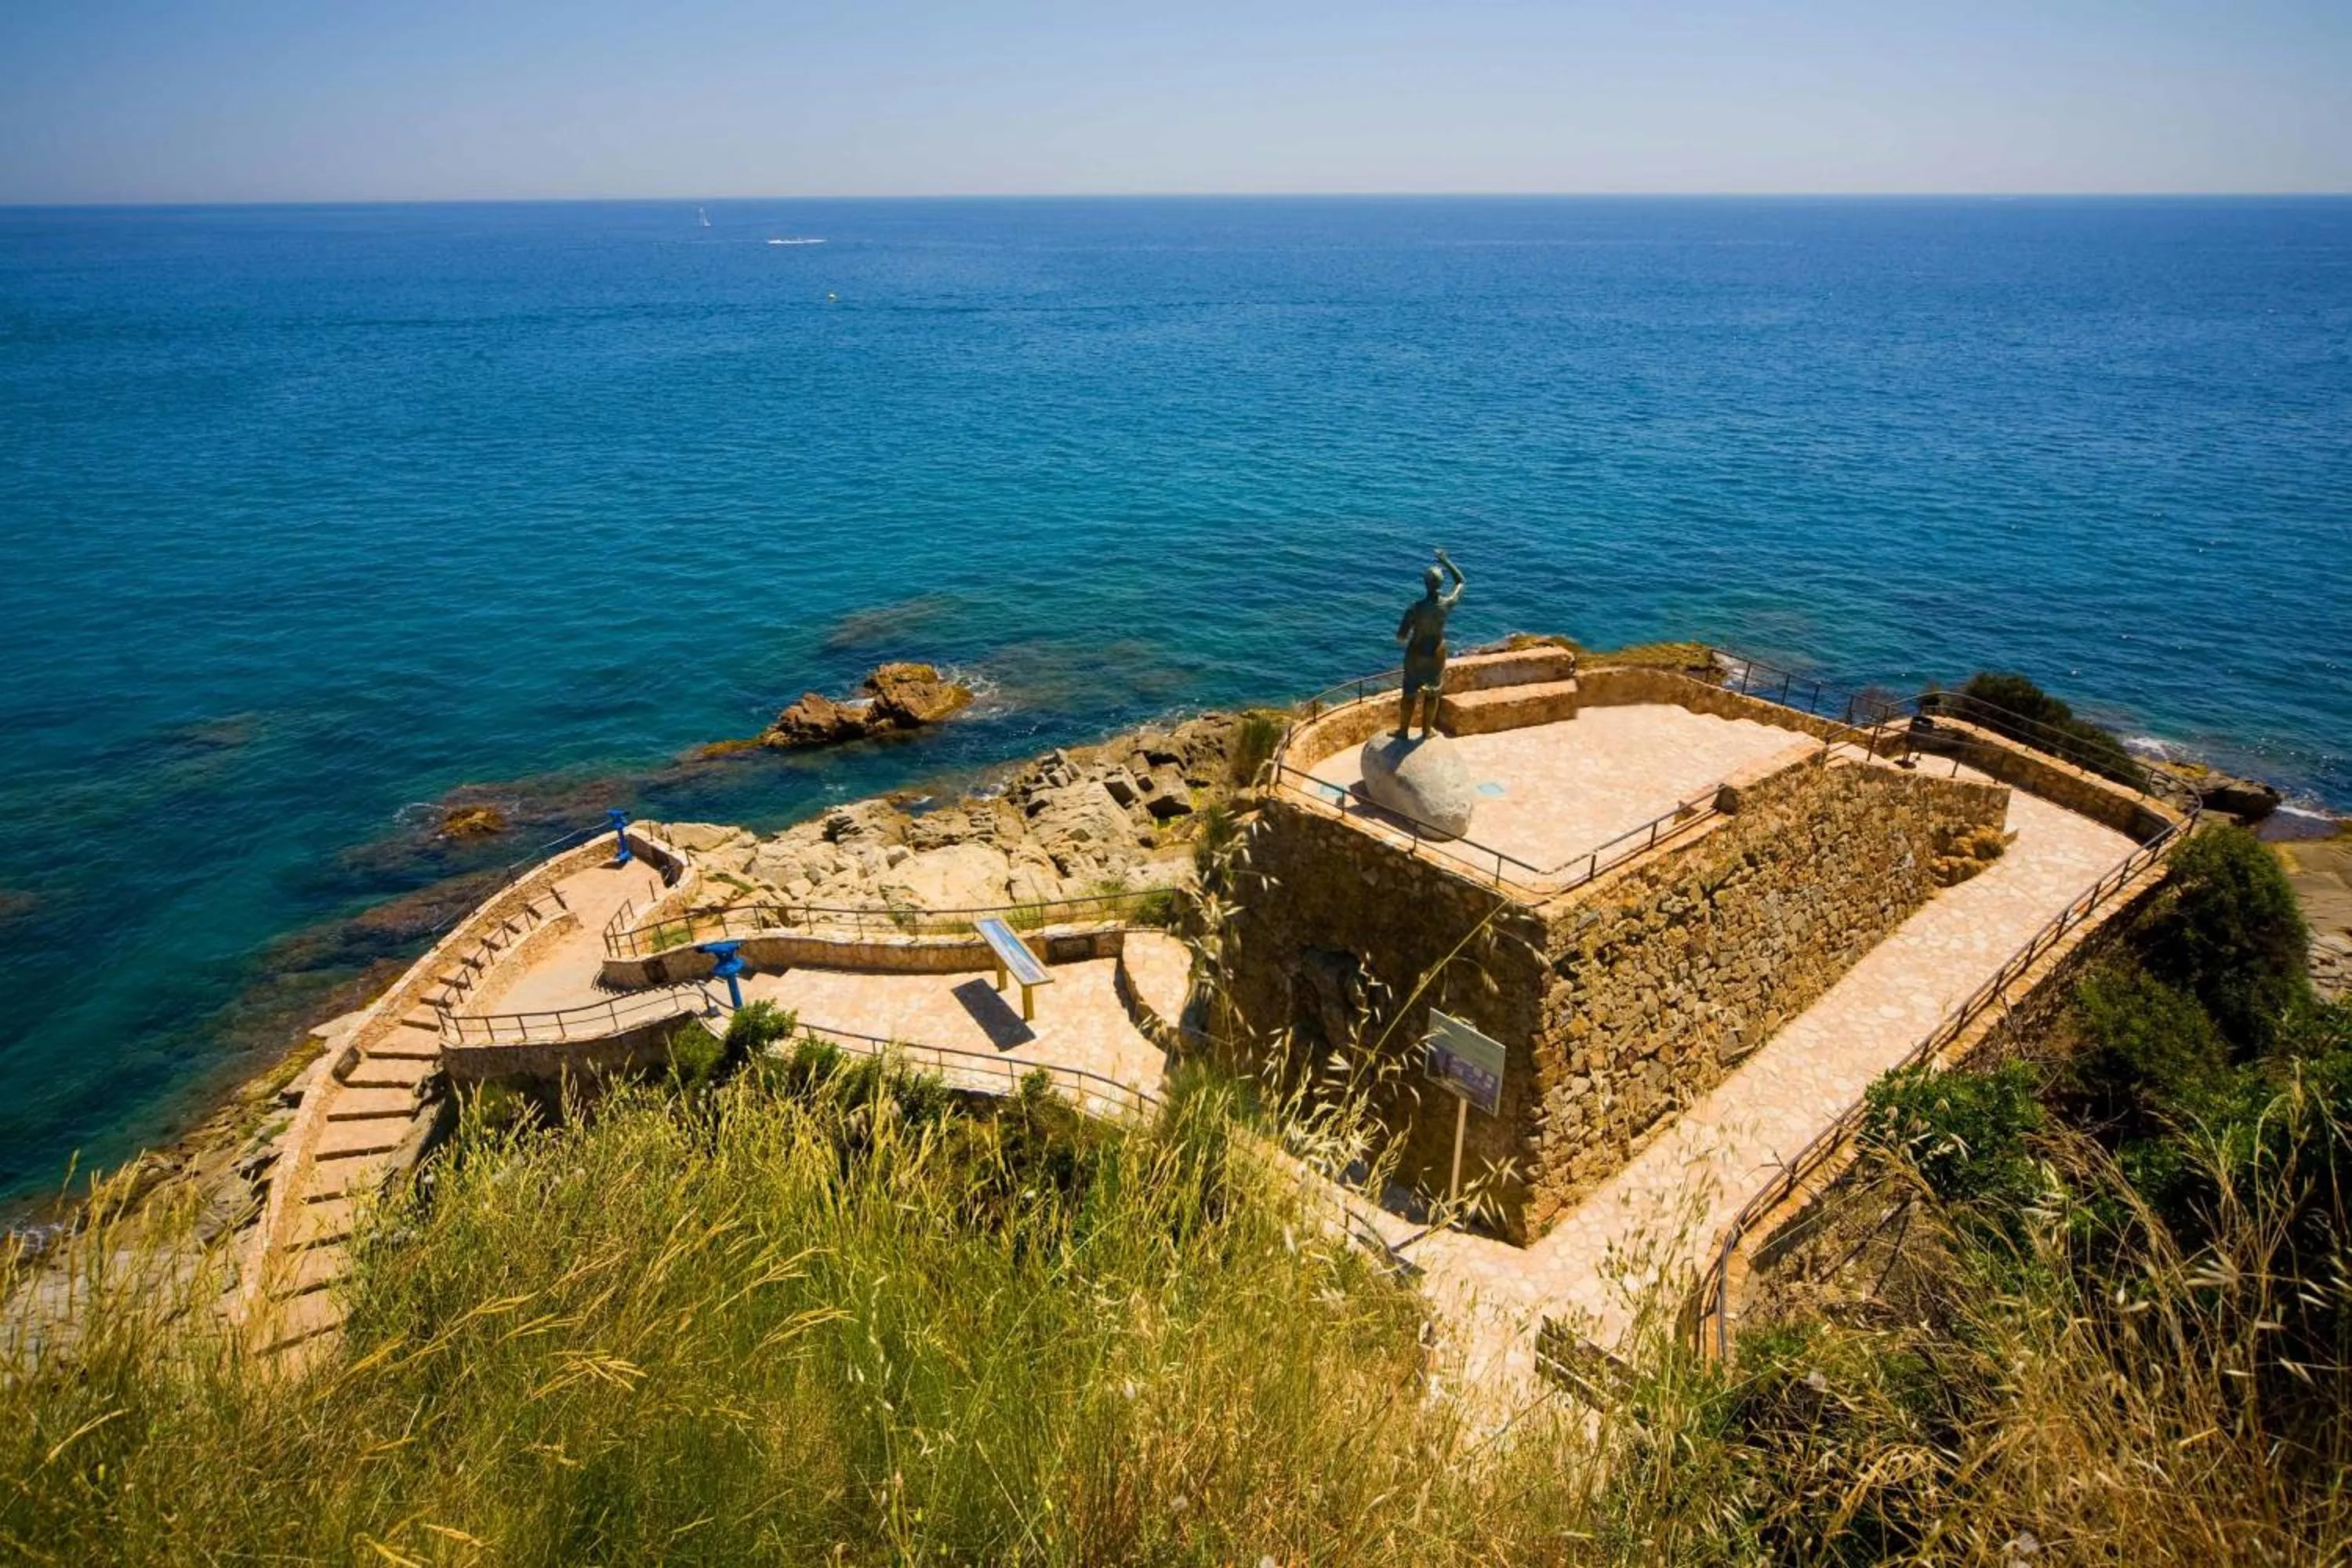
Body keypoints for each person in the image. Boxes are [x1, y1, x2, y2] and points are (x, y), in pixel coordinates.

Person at [1395, 548, 1465, 738]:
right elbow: (1461, 582)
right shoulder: (1447, 603)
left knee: (1409, 692)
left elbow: (1401, 636)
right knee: (1432, 693)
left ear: (1425, 584)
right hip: (1437, 654)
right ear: (1441, 584)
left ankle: (1403, 731)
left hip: (1416, 654)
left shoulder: (1414, 609)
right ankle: (1427, 732)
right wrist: (1446, 561)